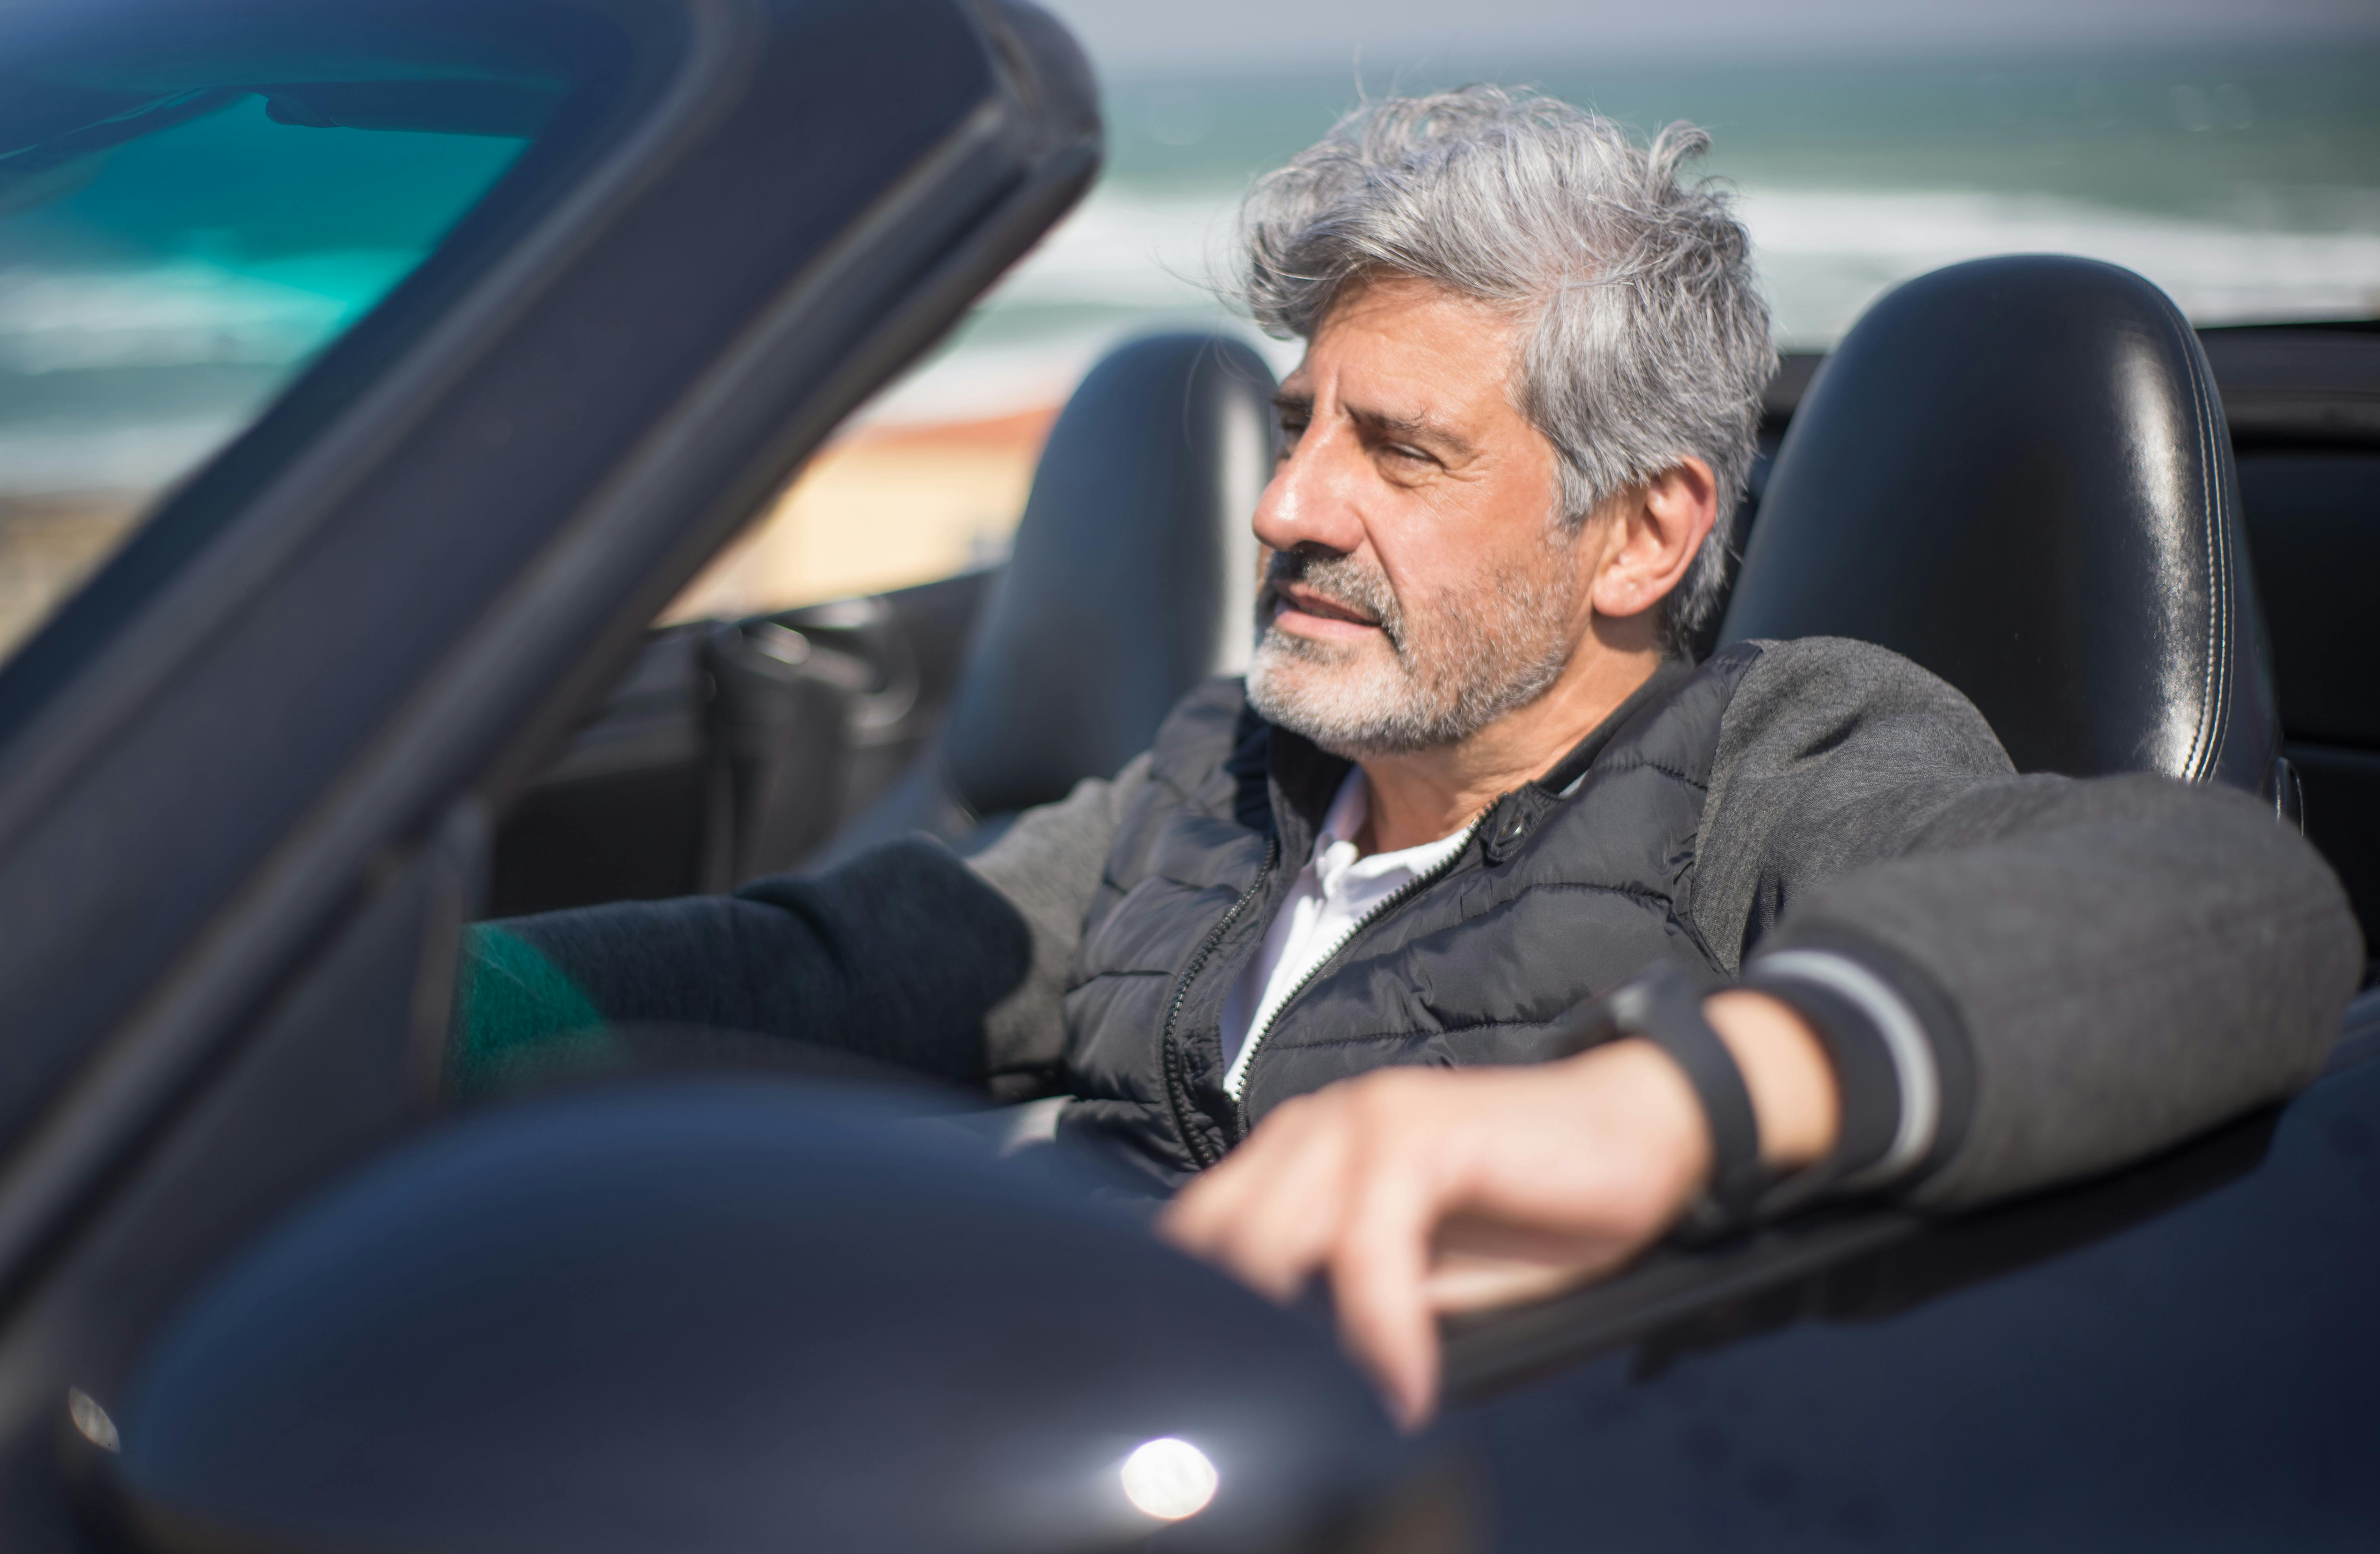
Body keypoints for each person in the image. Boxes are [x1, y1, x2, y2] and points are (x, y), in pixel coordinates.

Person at [455, 88, 2363, 1428]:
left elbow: (2229, 899)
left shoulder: (1775, 758)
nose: (1287, 501)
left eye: (1399, 450)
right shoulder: (1230, 770)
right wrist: (401, 995)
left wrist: (1647, 1109)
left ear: (1643, 534)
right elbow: (843, 959)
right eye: (1302, 422)